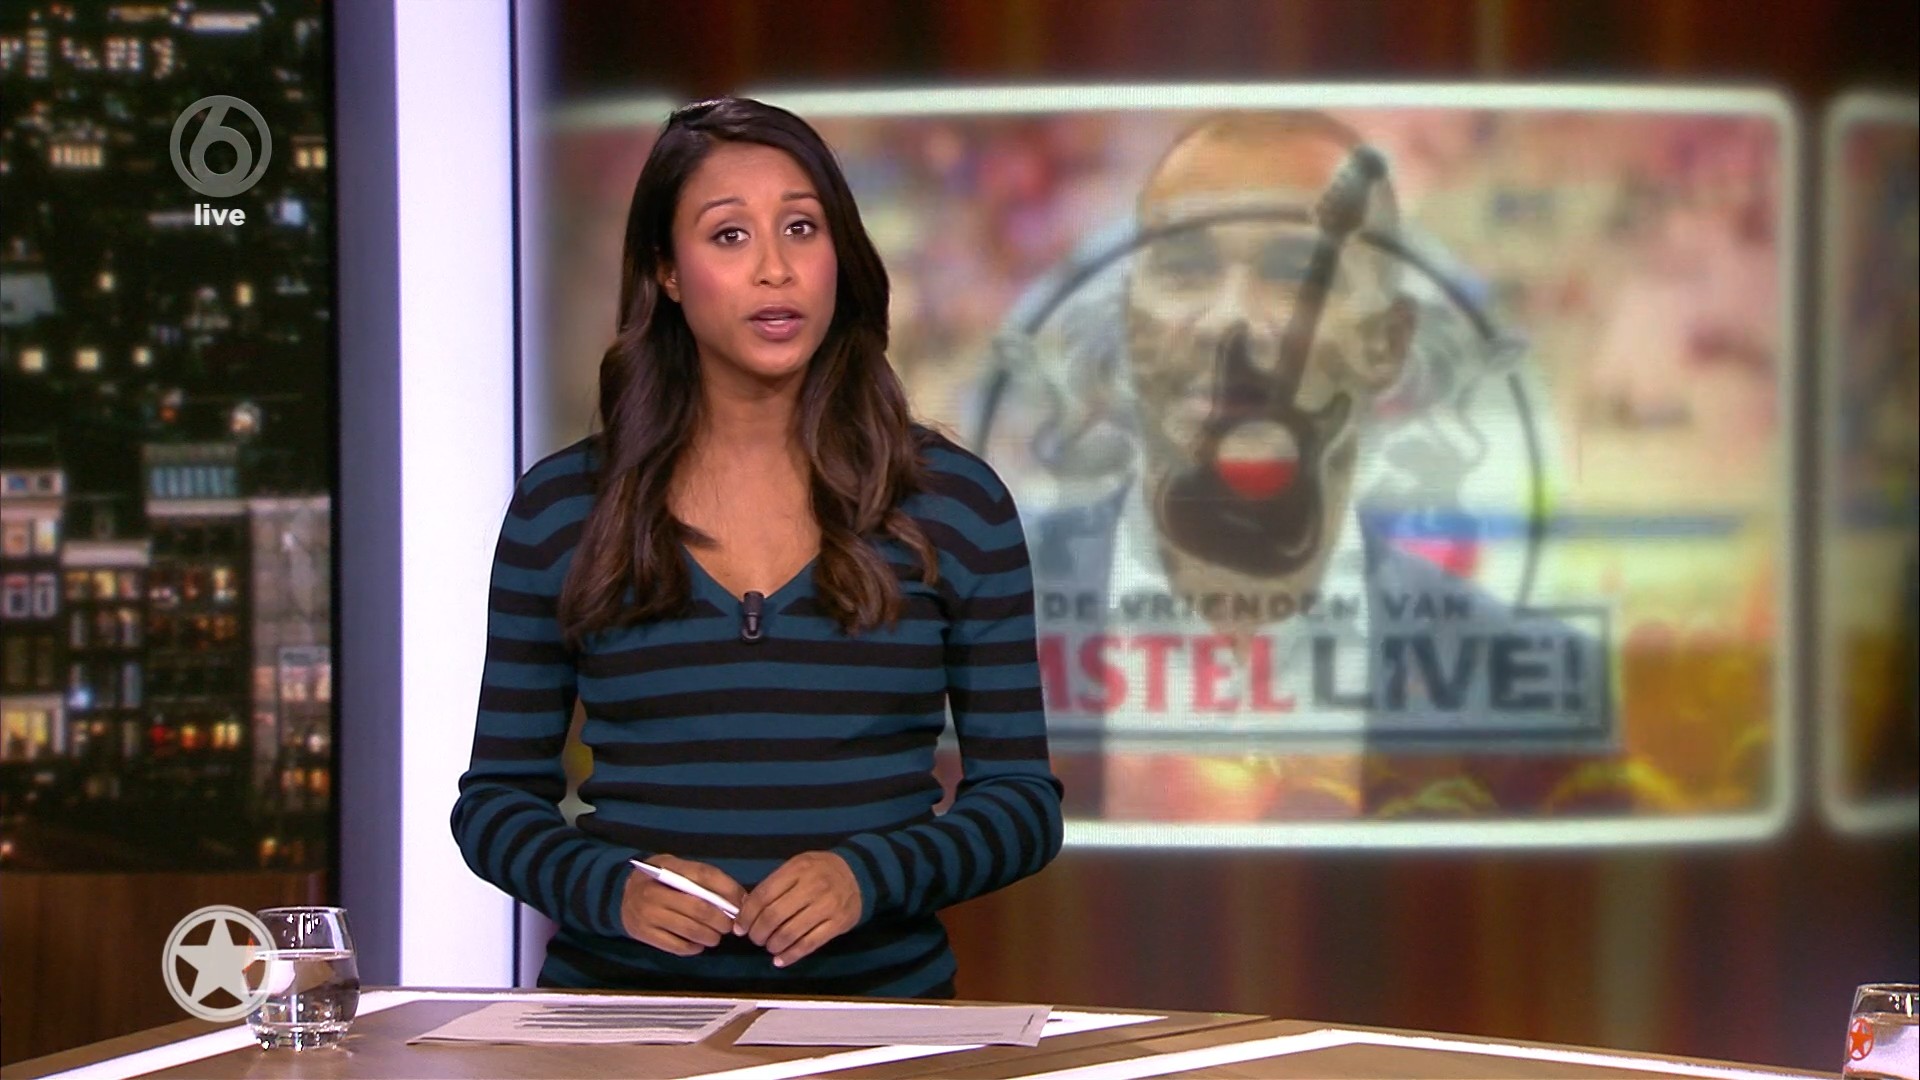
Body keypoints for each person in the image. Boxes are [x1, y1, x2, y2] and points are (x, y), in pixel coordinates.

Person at [450, 97, 1063, 998]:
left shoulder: (953, 505)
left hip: (877, 1026)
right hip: (624, 1023)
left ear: (841, 256)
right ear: (667, 271)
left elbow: (1022, 806)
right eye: (729, 236)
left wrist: (870, 877)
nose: (775, 269)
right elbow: (495, 804)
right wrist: (611, 889)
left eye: (802, 229)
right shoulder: (564, 510)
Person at [1013, 110, 1613, 822]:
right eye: (1185, 269)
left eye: (1299, 273)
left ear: (1387, 342)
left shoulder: (1545, 695)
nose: (1229, 319)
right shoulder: (937, 638)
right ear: (1129, 321)